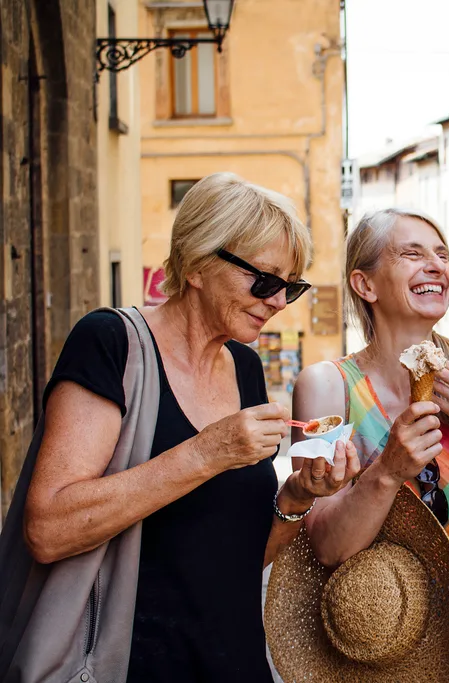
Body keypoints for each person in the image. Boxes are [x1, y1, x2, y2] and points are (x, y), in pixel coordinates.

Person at [23, 173, 359, 682]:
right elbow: (48, 530)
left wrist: (295, 497)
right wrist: (206, 453)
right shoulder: (110, 343)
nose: (278, 302)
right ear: (200, 263)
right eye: (264, 280)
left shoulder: (245, 366)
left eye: (291, 287)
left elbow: (238, 560)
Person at [291, 208, 449, 683]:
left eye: (442, 255)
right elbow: (322, 547)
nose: (436, 265)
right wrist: (387, 470)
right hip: (369, 666)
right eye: (412, 253)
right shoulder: (327, 389)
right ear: (365, 285)